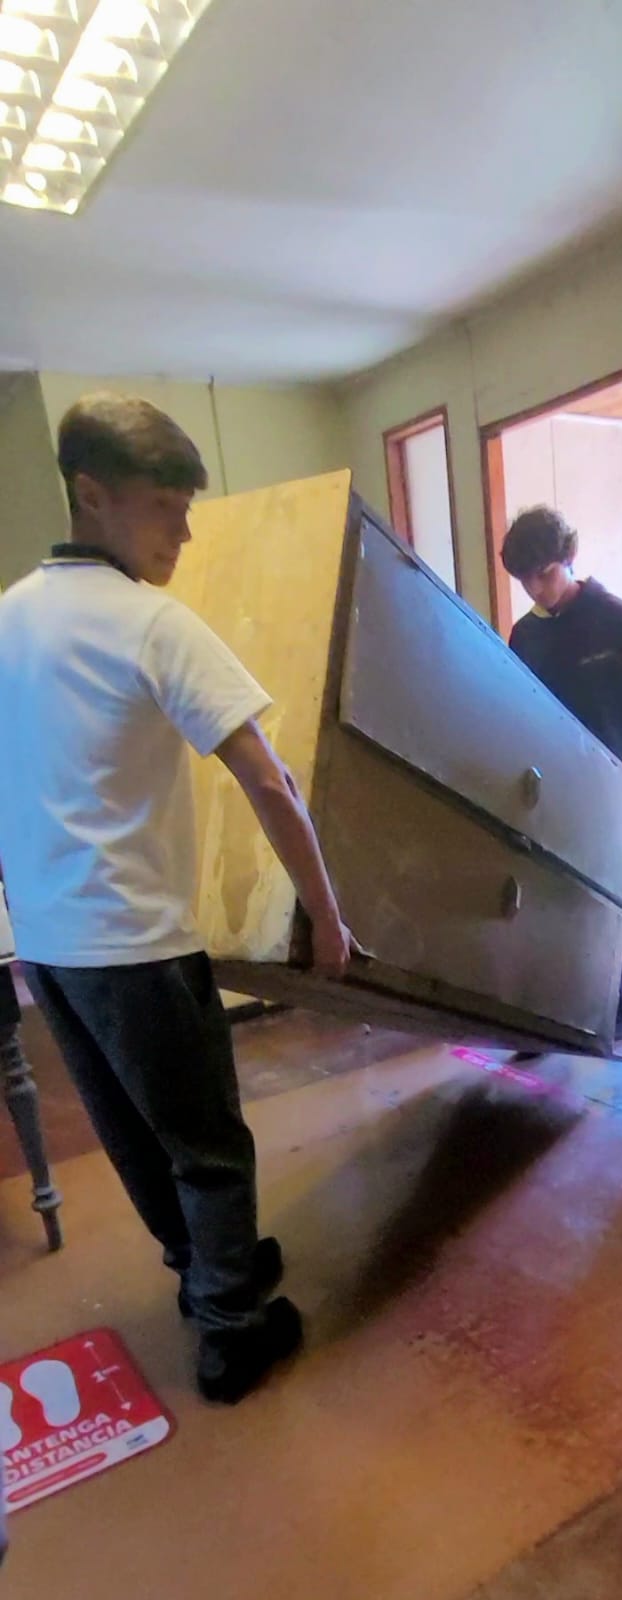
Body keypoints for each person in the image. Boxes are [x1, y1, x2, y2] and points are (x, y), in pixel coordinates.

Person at [0, 393, 352, 1405]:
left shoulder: (9, 616)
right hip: (137, 946)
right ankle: (232, 1332)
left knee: (134, 1137)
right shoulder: (152, 624)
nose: (184, 534)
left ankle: (205, 1270)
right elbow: (271, 782)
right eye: (165, 508)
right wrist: (327, 914)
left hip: (52, 946)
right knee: (209, 1148)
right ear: (92, 495)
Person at [501, 505, 622, 1034]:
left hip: (616, 790)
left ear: (569, 557)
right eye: (525, 580)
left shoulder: (619, 620)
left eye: (545, 574)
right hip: (551, 792)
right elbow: (517, 712)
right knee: (553, 901)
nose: (536, 589)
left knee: (620, 903)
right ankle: (560, 1013)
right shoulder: (524, 637)